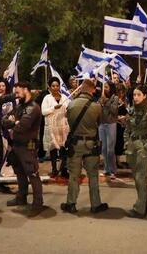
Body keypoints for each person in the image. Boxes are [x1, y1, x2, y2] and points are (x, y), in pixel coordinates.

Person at [60, 79, 108, 214]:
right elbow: (99, 123)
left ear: (81, 89)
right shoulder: (97, 106)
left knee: (74, 175)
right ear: (91, 89)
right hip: (91, 144)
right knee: (93, 175)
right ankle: (96, 204)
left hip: (75, 144)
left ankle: (71, 203)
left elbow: (69, 122)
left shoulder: (71, 105)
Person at [3, 82, 45, 216]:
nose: (16, 95)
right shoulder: (20, 106)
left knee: (32, 174)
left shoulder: (33, 108)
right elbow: (3, 120)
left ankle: (38, 203)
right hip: (17, 145)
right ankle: (21, 197)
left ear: (26, 90)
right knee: (20, 172)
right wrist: (13, 122)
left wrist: (14, 122)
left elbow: (23, 126)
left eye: (18, 92)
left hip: (28, 146)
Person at [124, 85, 147, 218]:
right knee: (138, 179)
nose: (136, 97)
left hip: (143, 147)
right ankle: (146, 205)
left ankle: (139, 209)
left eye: (139, 95)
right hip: (132, 148)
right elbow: (127, 129)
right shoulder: (132, 111)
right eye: (134, 95)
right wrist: (127, 143)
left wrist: (146, 147)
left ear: (144, 96)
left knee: (140, 179)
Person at [41, 77, 70, 177]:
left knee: (64, 149)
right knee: (53, 149)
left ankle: (63, 169)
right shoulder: (47, 98)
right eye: (53, 86)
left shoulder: (64, 98)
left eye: (57, 85)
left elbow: (68, 111)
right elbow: (43, 112)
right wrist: (54, 108)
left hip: (63, 127)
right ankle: (54, 169)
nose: (55, 87)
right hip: (52, 127)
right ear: (49, 87)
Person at [99, 81, 119, 178]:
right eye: (104, 87)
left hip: (111, 124)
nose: (105, 89)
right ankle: (106, 169)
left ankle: (113, 170)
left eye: (106, 87)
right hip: (102, 124)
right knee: (103, 149)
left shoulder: (115, 98)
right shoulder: (101, 98)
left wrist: (106, 102)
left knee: (110, 149)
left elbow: (114, 110)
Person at [115, 84, 128, 169]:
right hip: (115, 124)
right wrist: (118, 118)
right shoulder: (114, 100)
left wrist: (125, 117)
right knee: (115, 142)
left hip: (123, 125)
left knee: (120, 142)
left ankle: (118, 160)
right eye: (120, 92)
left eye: (123, 92)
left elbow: (129, 111)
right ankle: (114, 161)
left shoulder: (125, 101)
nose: (121, 93)